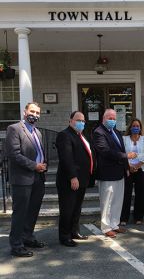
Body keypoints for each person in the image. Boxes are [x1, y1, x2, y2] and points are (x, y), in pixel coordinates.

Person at [5, 102, 47, 257]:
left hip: (38, 177)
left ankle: (28, 237)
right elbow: (14, 155)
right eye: (32, 111)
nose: (34, 115)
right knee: (20, 213)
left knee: (32, 211)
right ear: (25, 112)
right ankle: (16, 245)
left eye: (37, 113)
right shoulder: (14, 129)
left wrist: (42, 164)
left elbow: (39, 152)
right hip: (22, 178)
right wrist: (34, 165)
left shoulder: (38, 132)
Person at [92, 108, 137, 238]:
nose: (112, 120)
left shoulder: (116, 132)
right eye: (109, 118)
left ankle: (114, 224)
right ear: (103, 119)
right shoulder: (98, 132)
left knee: (117, 200)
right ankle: (106, 227)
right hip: (107, 173)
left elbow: (121, 149)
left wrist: (126, 168)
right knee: (107, 202)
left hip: (119, 172)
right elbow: (105, 151)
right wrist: (126, 155)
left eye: (114, 118)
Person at [56, 111, 94, 247]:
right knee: (67, 209)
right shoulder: (64, 135)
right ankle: (64, 236)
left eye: (83, 121)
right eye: (78, 120)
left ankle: (74, 231)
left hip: (82, 180)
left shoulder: (80, 136)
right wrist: (73, 176)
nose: (81, 123)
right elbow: (67, 158)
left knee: (76, 208)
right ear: (70, 121)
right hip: (70, 180)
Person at [120, 118, 144, 226]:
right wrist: (129, 166)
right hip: (128, 169)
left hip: (141, 169)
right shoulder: (124, 139)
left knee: (140, 194)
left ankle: (139, 218)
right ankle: (124, 218)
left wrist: (137, 166)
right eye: (133, 126)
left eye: (137, 126)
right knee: (126, 194)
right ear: (130, 127)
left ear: (140, 128)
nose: (135, 128)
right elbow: (123, 153)